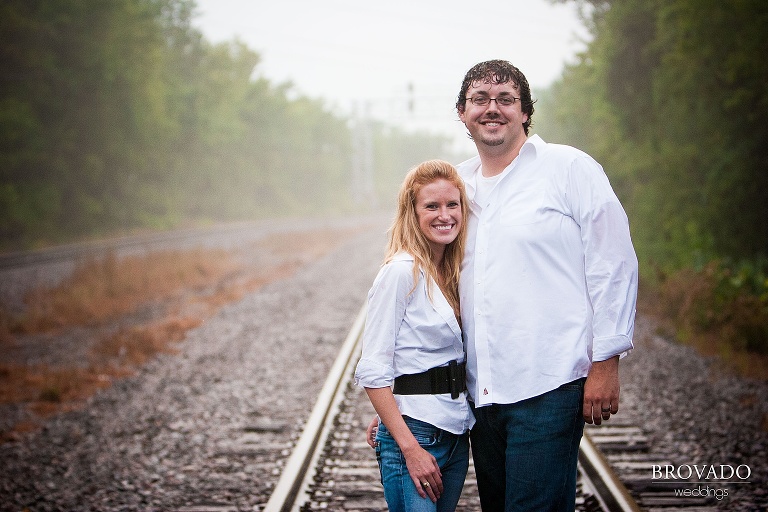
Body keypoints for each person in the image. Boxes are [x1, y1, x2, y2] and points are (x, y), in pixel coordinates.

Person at [453, 59, 639, 511]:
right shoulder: (456, 187)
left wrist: (606, 361)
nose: (491, 108)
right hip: (480, 389)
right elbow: (430, 287)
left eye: (505, 99)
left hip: (549, 382)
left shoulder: (569, 168)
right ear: (462, 112)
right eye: (480, 99)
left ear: (524, 112)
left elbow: (613, 263)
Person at [354, 160, 475, 512]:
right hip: (418, 436)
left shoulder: (451, 273)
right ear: (413, 212)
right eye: (432, 206)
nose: (445, 215)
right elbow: (372, 369)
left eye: (453, 205)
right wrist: (407, 445)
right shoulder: (399, 273)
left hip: (455, 431)